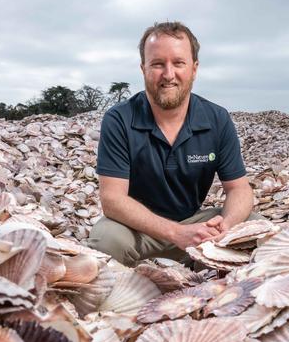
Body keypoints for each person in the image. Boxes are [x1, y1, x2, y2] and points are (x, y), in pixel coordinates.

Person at [87, 21, 259, 267]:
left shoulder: (216, 119)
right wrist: (175, 233)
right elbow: (112, 200)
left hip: (195, 222)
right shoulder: (120, 119)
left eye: (178, 63)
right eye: (158, 64)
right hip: (138, 228)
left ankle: (207, 273)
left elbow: (239, 189)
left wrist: (226, 225)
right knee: (105, 240)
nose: (168, 74)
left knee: (256, 227)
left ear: (194, 68)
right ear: (143, 68)